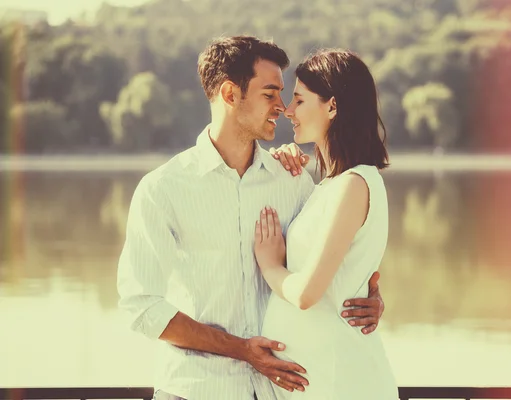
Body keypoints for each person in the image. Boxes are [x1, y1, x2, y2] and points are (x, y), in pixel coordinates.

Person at [116, 36, 385, 400]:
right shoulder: (162, 189)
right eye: (269, 94)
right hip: (194, 391)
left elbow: (335, 259)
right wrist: (241, 349)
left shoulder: (293, 180)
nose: (283, 107)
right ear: (230, 94)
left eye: (287, 96)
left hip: (275, 391)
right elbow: (141, 306)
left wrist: (369, 297)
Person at [254, 49, 397, 399]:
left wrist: (270, 264)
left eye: (299, 100)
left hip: (341, 381)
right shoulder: (328, 187)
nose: (288, 110)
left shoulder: (353, 184)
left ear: (332, 106)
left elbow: (306, 294)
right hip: (323, 381)